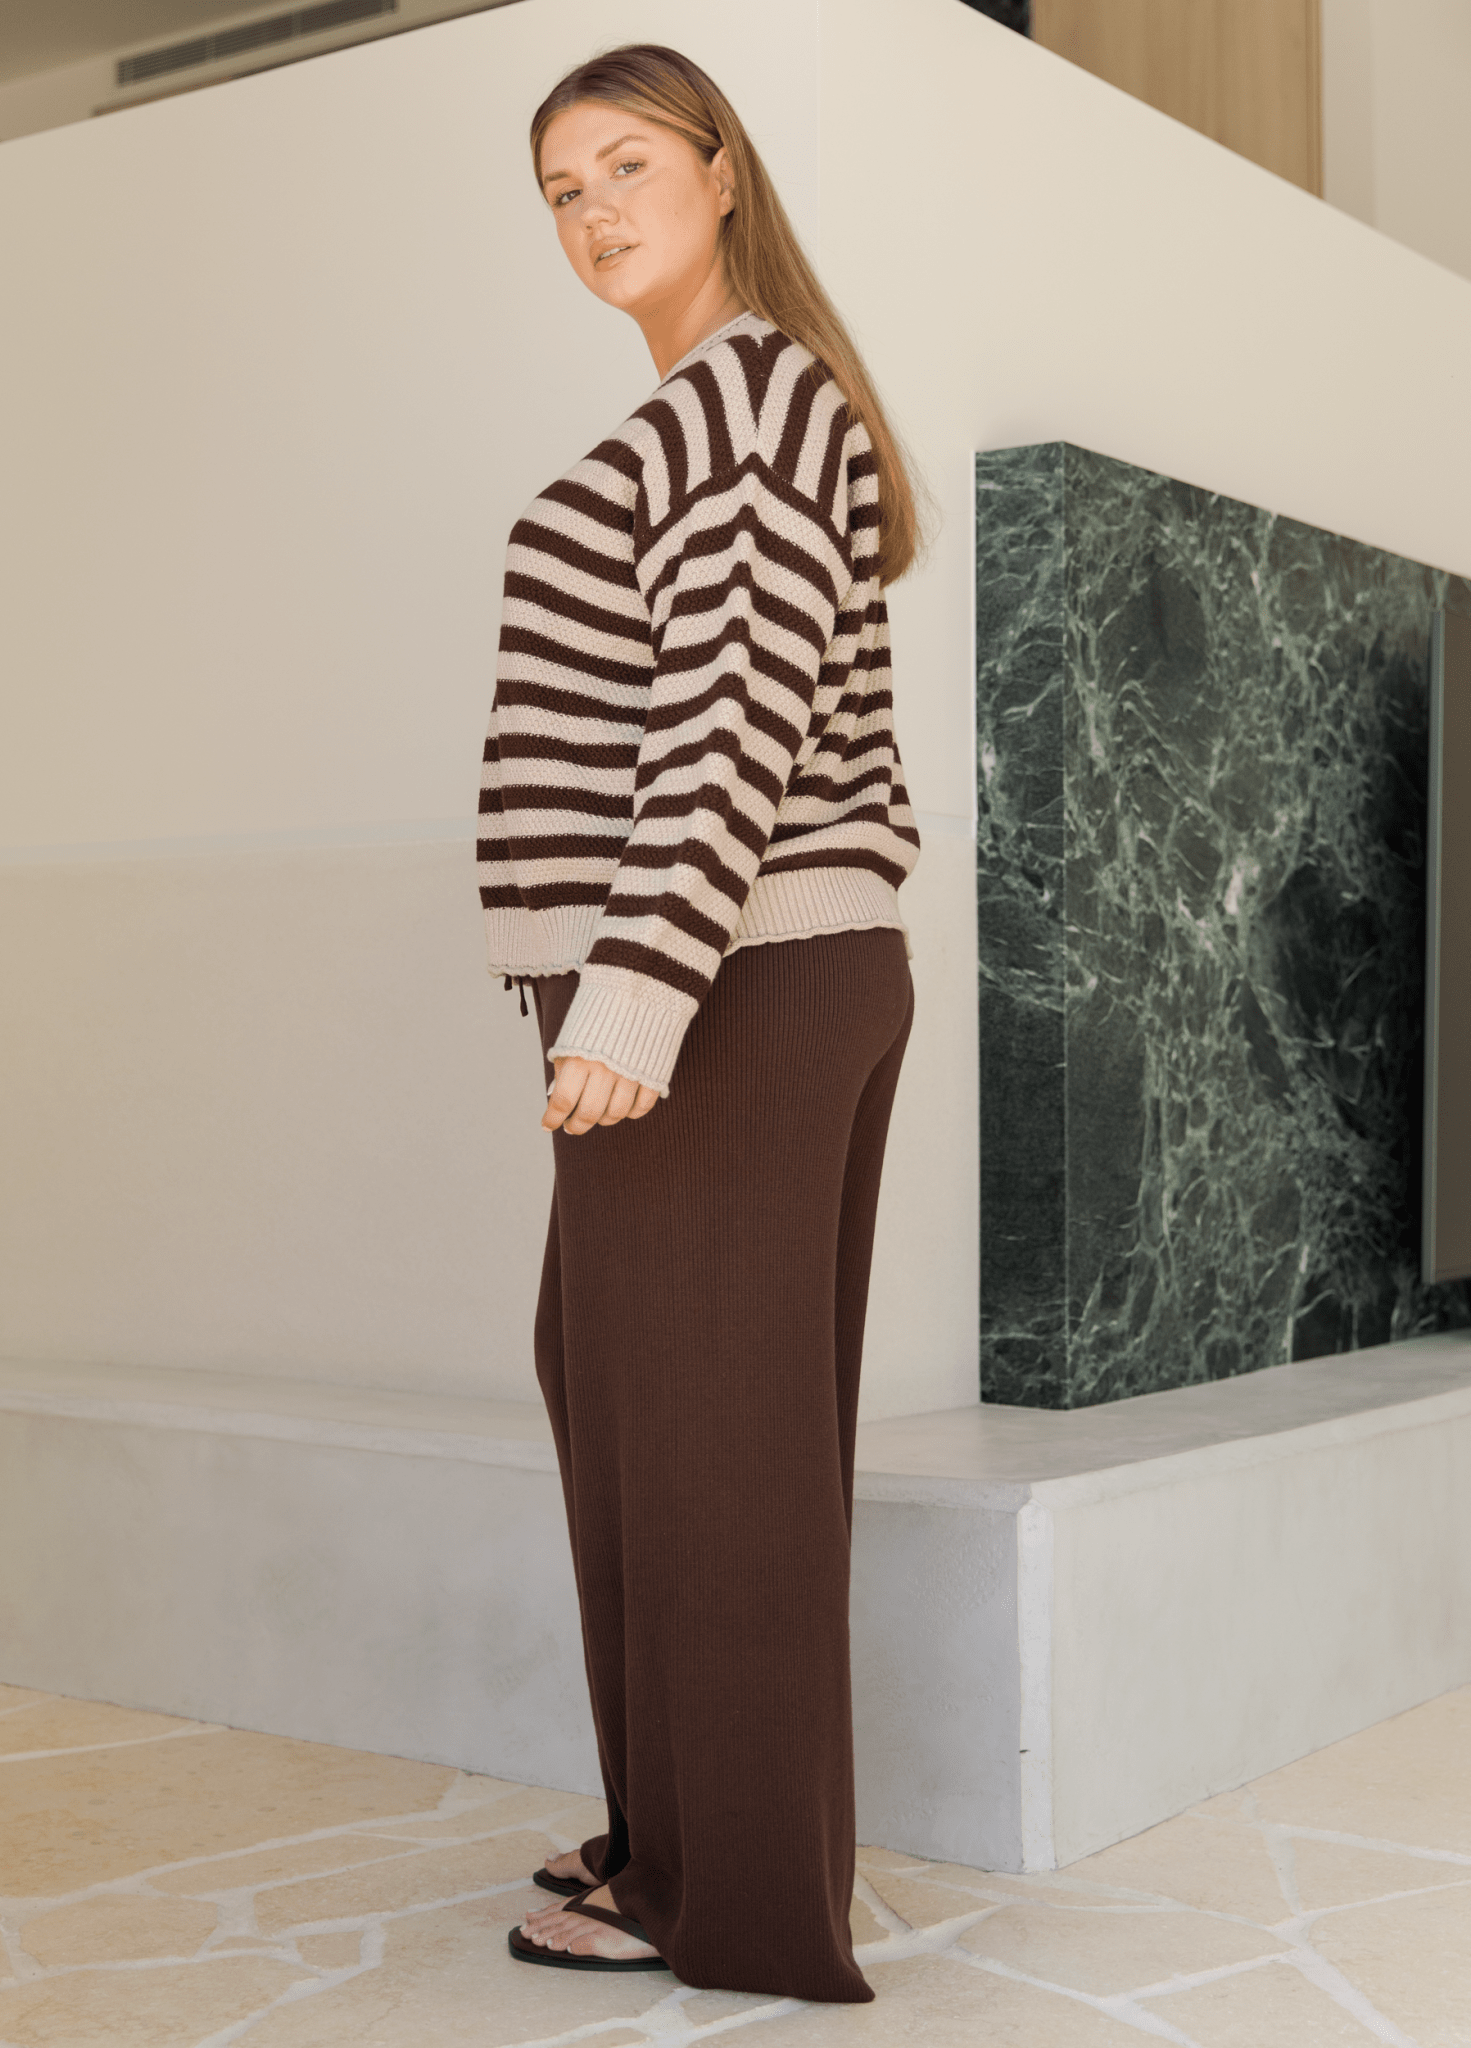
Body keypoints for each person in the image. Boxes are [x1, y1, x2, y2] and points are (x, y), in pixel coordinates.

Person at [479, 42, 926, 2006]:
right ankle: (677, 1832)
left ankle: (731, 1900)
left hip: (729, 979)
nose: (593, 211)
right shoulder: (718, 404)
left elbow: (732, 717)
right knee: (637, 1398)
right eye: (561, 189)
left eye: (626, 164)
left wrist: (640, 989)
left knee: (710, 1444)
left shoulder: (752, 399)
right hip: (724, 979)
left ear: (720, 169)